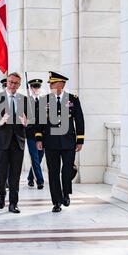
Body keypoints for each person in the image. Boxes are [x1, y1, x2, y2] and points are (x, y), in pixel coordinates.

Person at [35, 72, 85, 213]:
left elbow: (79, 120)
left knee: (67, 169)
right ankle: (56, 201)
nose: (50, 85)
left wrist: (80, 140)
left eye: (52, 83)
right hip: (50, 142)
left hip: (68, 142)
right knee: (53, 172)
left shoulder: (73, 99)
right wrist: (39, 138)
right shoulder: (44, 100)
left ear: (61, 84)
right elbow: (40, 121)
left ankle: (66, 193)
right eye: (50, 84)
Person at [0, 73, 29, 213]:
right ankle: (2, 193)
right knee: (2, 171)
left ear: (19, 85)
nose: (13, 85)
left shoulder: (24, 99)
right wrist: (0, 121)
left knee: (15, 173)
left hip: (18, 141)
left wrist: (27, 123)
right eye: (11, 82)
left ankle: (13, 203)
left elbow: (30, 120)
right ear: (7, 82)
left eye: (16, 83)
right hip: (1, 141)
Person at [25, 79, 45, 189]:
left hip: (43, 135)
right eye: (34, 87)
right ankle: (40, 180)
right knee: (35, 158)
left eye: (38, 87)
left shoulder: (44, 101)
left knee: (40, 157)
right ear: (31, 89)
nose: (36, 89)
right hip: (31, 134)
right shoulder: (26, 101)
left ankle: (30, 177)